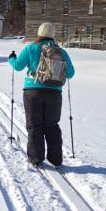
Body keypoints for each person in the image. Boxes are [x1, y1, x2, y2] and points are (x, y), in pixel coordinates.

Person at [8, 23, 75, 168]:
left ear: (39, 33)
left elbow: (18, 66)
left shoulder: (31, 48)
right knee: (52, 125)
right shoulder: (61, 52)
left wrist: (11, 58)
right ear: (53, 34)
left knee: (34, 125)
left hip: (33, 91)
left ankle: (36, 159)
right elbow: (70, 73)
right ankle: (56, 159)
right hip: (55, 93)